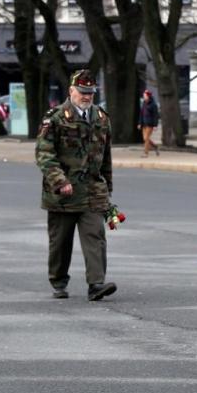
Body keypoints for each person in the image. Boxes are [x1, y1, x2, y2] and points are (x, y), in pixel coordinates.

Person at [35, 70, 116, 301]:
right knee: (60, 242)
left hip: (92, 191)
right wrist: (59, 181)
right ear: (71, 91)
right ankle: (59, 280)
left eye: (90, 92)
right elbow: (44, 154)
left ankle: (96, 284)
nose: (87, 96)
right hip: (63, 194)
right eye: (82, 92)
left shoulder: (101, 118)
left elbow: (105, 156)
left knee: (95, 236)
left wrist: (107, 188)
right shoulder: (56, 118)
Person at [137, 89, 160, 157]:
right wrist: (139, 123)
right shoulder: (144, 103)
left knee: (146, 139)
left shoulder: (153, 105)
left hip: (150, 124)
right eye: (144, 95)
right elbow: (141, 114)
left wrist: (155, 125)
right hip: (144, 123)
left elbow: (156, 116)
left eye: (145, 95)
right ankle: (155, 147)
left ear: (148, 96)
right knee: (145, 138)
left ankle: (146, 153)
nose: (144, 96)